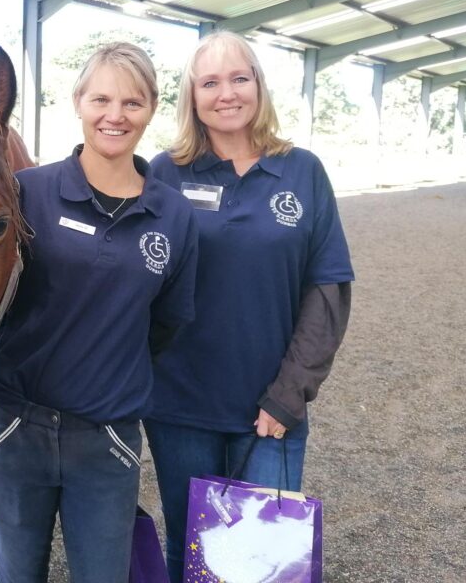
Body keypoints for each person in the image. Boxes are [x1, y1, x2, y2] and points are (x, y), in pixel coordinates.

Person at [0, 42, 199, 583]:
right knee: (17, 574)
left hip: (108, 436)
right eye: (101, 98)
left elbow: (166, 323)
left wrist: (108, 363)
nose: (115, 115)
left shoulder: (173, 214)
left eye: (133, 102)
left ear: (152, 109)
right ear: (78, 101)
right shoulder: (27, 191)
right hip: (14, 427)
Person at [143, 31, 354, 582]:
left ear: (259, 86)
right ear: (192, 96)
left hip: (270, 410)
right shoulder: (166, 173)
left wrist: (288, 396)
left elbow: (327, 290)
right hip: (179, 405)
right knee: (192, 551)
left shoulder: (302, 170)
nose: (226, 93)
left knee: (261, 564)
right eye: (209, 82)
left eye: (240, 78)